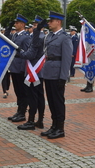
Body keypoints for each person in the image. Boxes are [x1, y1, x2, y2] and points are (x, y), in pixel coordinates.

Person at [39, 11, 72, 139]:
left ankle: (60, 128)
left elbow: (67, 59)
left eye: (51, 21)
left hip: (57, 73)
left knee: (58, 101)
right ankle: (53, 125)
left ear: (58, 22)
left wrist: (63, 77)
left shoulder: (65, 37)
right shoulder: (50, 36)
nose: (49, 23)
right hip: (48, 71)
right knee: (51, 101)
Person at [17, 15, 46, 130]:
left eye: (35, 25)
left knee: (32, 96)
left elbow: (31, 54)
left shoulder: (37, 37)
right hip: (39, 71)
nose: (33, 27)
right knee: (39, 96)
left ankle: (31, 121)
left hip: (33, 71)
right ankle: (40, 120)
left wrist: (19, 52)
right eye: (33, 25)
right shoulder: (43, 36)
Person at [5, 14, 31, 122]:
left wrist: (22, 68)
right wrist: (9, 27)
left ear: (22, 24)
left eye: (16, 23)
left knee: (22, 91)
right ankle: (19, 111)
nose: (15, 24)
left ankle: (22, 112)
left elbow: (26, 53)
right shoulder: (16, 35)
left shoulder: (26, 37)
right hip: (14, 66)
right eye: (14, 23)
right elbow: (6, 38)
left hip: (20, 66)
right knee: (17, 90)